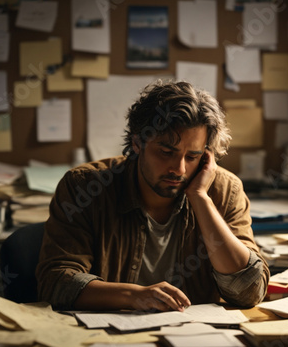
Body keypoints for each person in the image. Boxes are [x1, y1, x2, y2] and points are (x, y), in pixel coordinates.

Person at [36, 80, 269, 312]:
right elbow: (56, 283)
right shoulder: (84, 187)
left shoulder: (226, 191)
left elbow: (249, 292)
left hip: (195, 339)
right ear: (137, 143)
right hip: (106, 338)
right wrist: (133, 296)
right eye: (166, 152)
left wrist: (200, 198)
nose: (179, 169)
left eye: (192, 157)